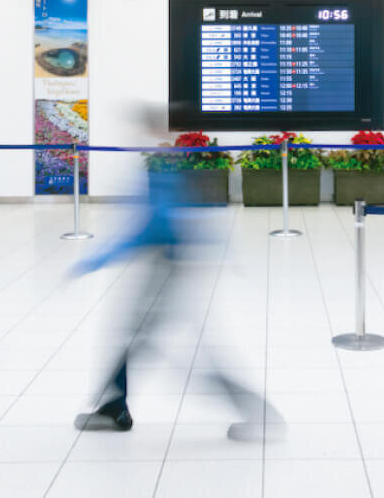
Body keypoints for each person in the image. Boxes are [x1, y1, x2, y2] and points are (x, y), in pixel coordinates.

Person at [72, 104, 280, 442]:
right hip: (171, 266)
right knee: (139, 339)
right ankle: (115, 407)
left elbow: (153, 225)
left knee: (181, 352)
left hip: (166, 269)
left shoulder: (161, 167)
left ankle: (256, 413)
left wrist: (98, 258)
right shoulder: (170, 164)